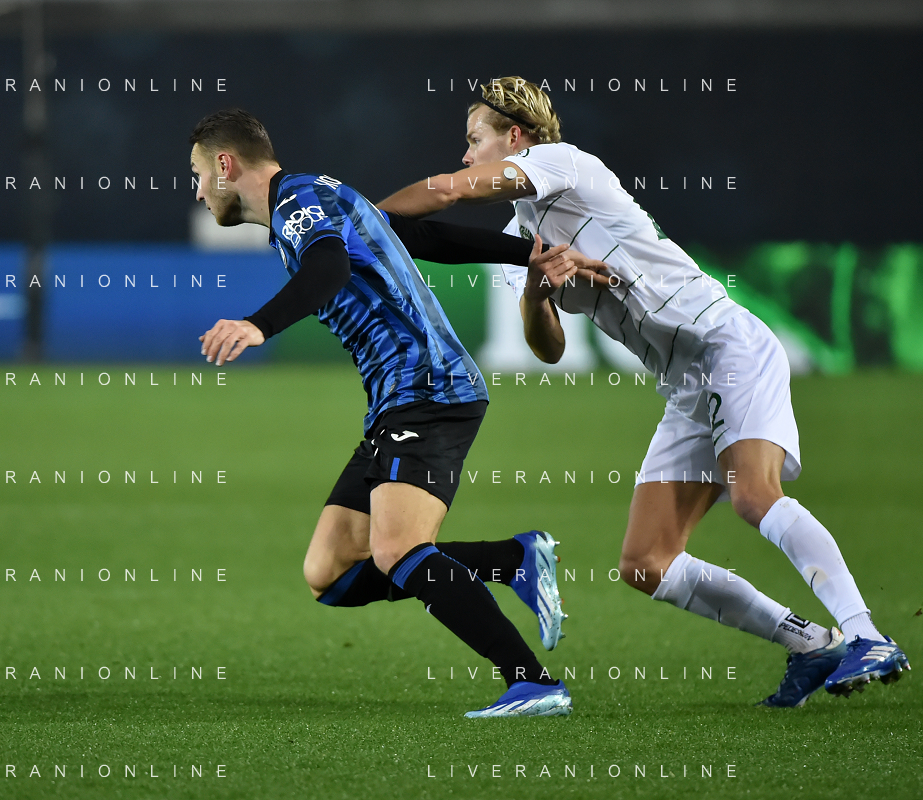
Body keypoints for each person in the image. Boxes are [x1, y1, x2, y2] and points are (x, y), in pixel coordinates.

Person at [377, 77, 909, 707]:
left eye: (475, 139)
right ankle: (812, 644)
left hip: (725, 347)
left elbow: (447, 190)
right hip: (685, 386)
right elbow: (549, 348)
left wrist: (361, 220)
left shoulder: (561, 163)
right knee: (646, 562)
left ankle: (866, 634)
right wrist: (536, 290)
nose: (467, 154)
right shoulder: (524, 232)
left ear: (515, 137)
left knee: (754, 495)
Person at [189, 108, 603, 717]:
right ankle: (513, 559)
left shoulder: (297, 203)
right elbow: (422, 236)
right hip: (397, 397)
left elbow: (328, 268)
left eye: (198, 174)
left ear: (226, 165)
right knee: (330, 572)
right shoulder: (316, 197)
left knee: (398, 549)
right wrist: (528, 254)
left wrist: (259, 324)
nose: (199, 191)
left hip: (427, 387)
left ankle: (534, 682)